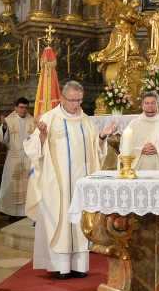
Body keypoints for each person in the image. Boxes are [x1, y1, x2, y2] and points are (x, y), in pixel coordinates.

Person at [24, 81, 116, 279]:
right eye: (73, 100)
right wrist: (42, 137)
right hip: (58, 184)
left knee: (80, 221)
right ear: (62, 98)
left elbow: (96, 151)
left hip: (81, 183)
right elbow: (33, 150)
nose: (77, 104)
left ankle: (79, 266)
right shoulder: (49, 118)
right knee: (61, 221)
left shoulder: (86, 121)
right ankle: (60, 267)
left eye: (80, 100)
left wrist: (102, 136)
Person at [119, 90, 159, 250]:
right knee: (139, 205)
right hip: (139, 172)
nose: (150, 106)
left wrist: (158, 149)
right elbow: (124, 147)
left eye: (153, 103)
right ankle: (138, 243)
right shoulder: (134, 124)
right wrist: (140, 150)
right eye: (147, 103)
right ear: (142, 105)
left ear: (157, 104)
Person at [0, 97, 35, 219]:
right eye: (21, 107)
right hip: (13, 158)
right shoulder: (9, 120)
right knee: (11, 184)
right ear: (16, 108)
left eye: (26, 108)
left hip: (27, 158)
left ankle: (25, 212)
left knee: (27, 186)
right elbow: (1, 139)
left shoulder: (32, 121)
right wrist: (4, 127)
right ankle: (12, 212)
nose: (23, 110)